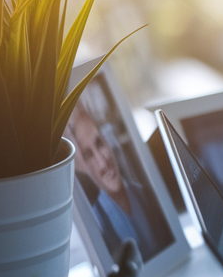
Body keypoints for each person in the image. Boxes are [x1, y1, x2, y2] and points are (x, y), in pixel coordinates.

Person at [67, 111, 172, 264]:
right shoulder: (96, 226)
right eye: (89, 155)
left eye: (99, 143)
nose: (103, 162)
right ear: (82, 167)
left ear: (107, 141)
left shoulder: (147, 194)